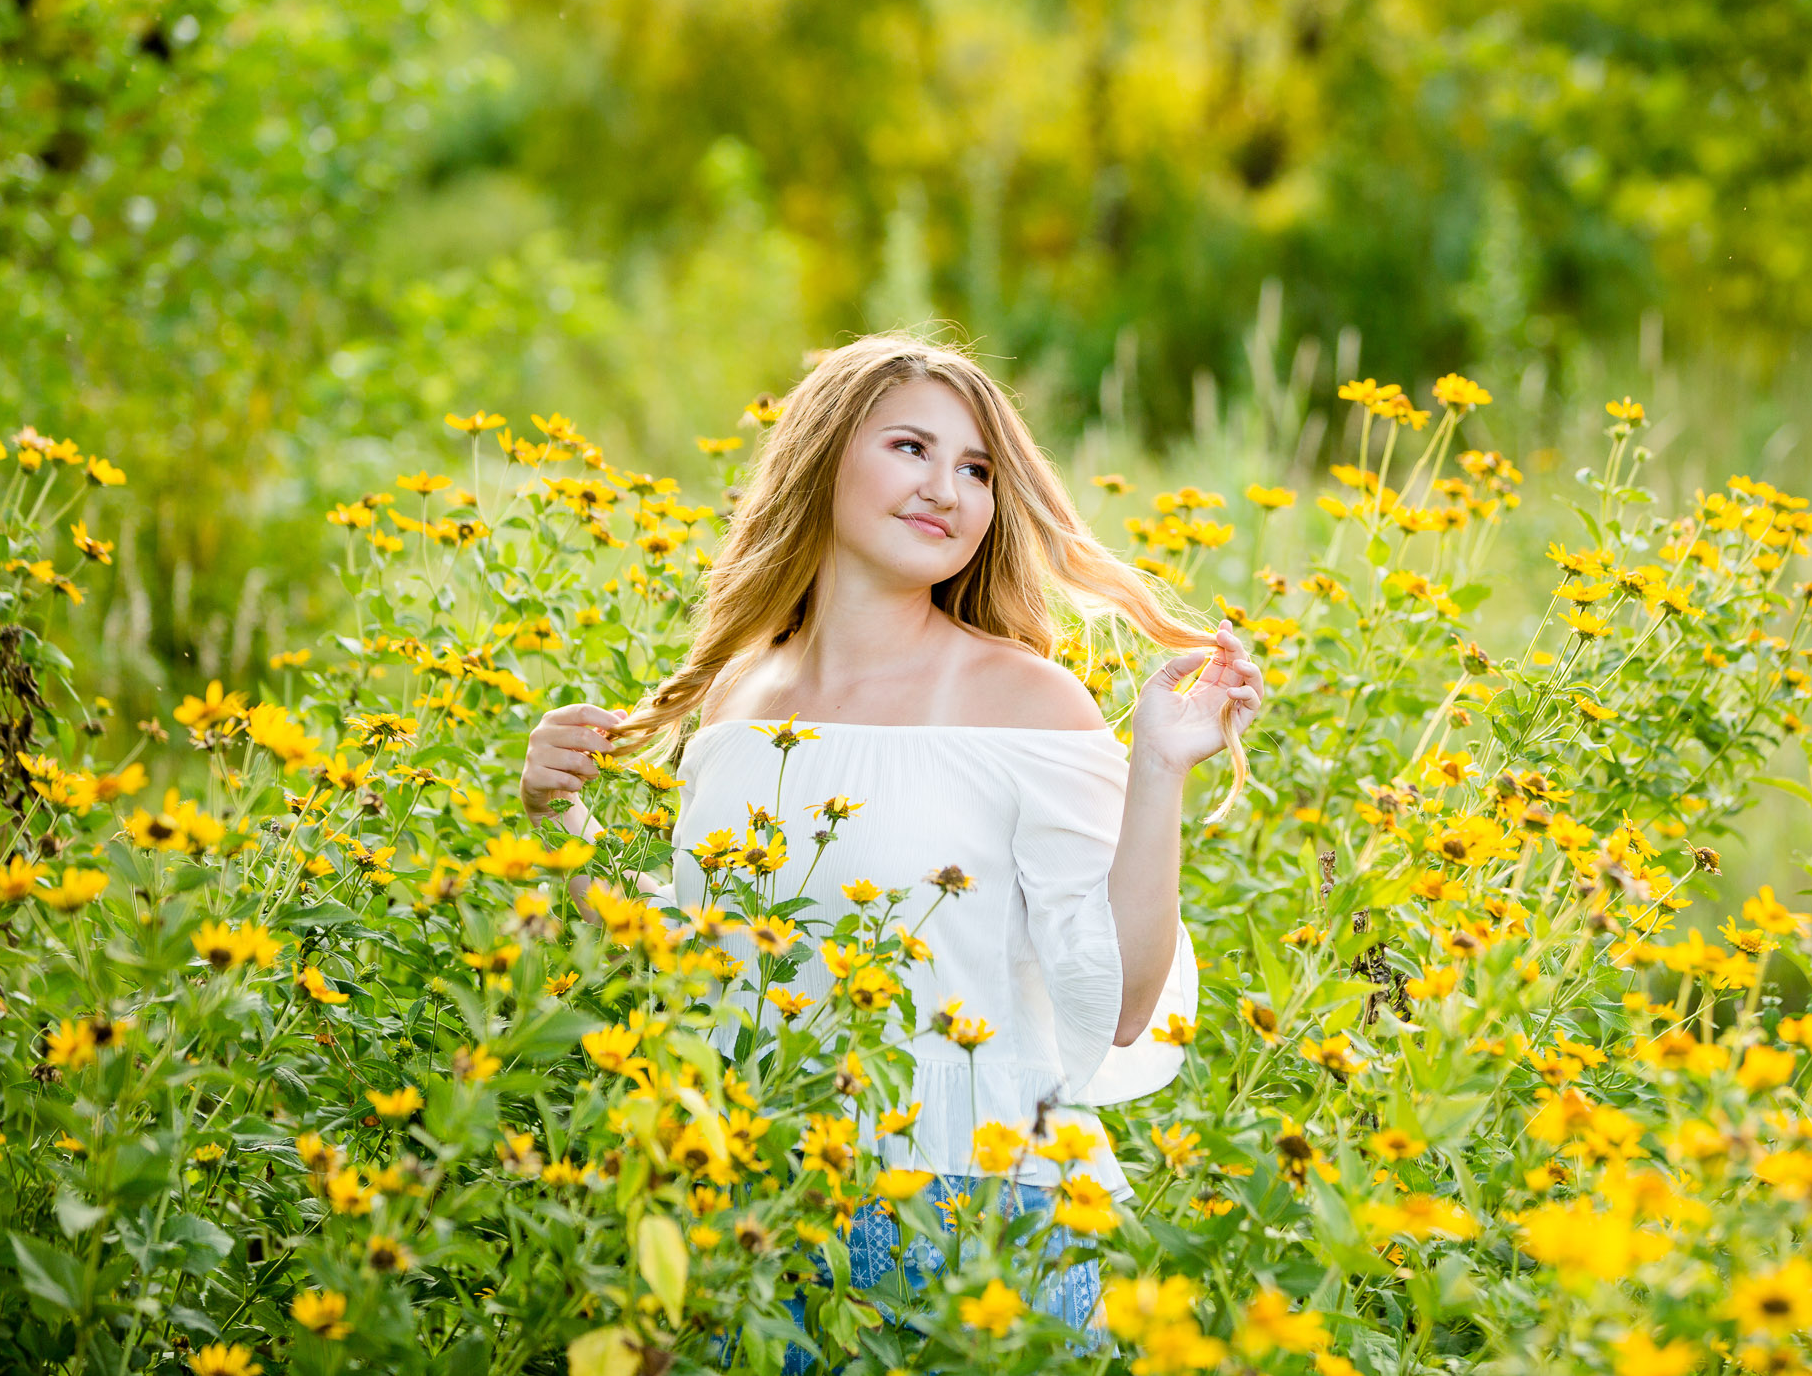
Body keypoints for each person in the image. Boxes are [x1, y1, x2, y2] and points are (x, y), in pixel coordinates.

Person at [517, 332, 1263, 1368]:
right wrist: (561, 823)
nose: (947, 489)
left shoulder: (1024, 698)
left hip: (978, 1219)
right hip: (749, 1207)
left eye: (976, 469)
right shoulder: (740, 696)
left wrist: (1159, 767)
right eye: (911, 446)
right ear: (821, 456)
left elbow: (1125, 1000)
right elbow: (693, 961)